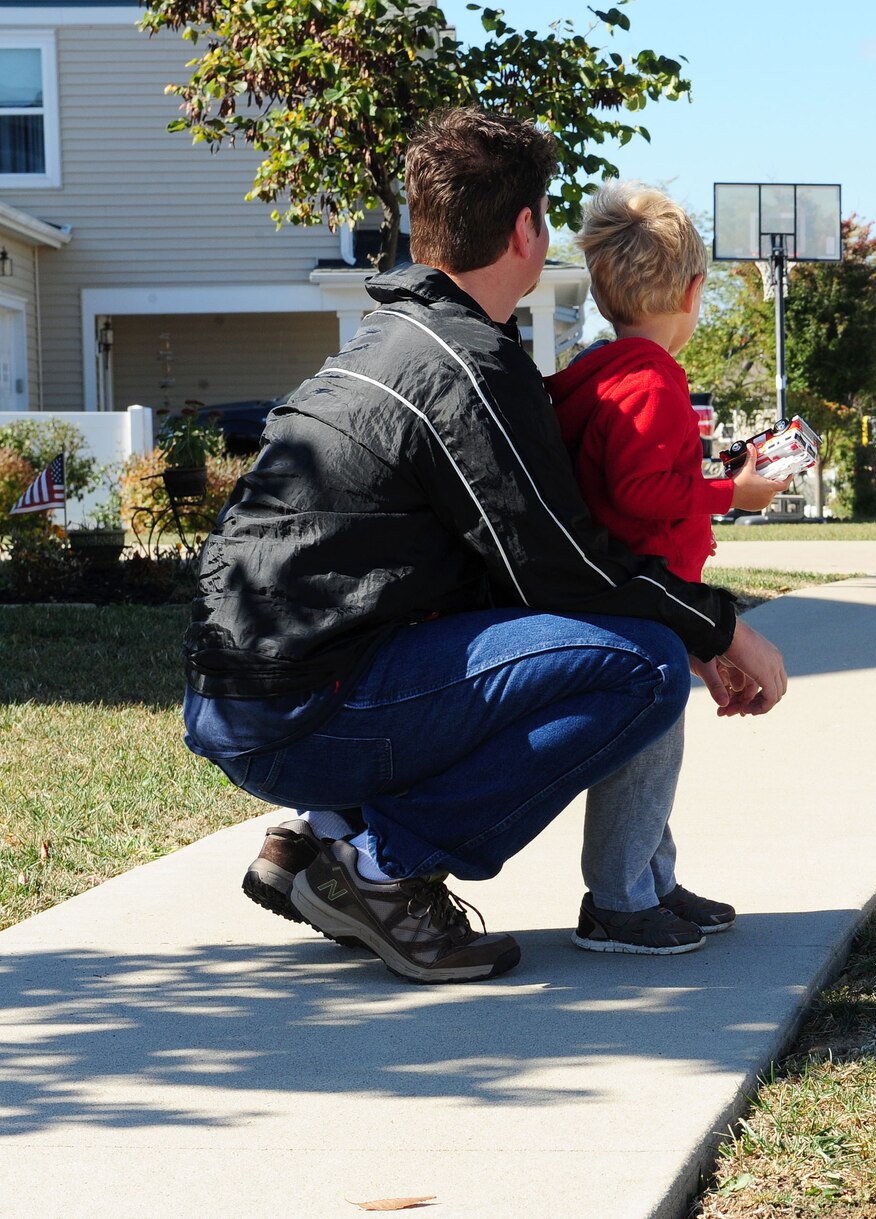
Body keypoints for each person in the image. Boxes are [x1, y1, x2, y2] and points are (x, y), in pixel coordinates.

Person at [189, 108, 788, 984]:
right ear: (525, 229)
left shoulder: (393, 338)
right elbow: (569, 569)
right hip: (304, 708)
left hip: (242, 696)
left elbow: (513, 573)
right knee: (646, 665)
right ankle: (381, 866)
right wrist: (721, 629)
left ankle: (329, 827)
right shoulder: (464, 368)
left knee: (587, 638)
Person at [542, 184, 788, 951]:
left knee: (651, 753)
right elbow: (641, 491)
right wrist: (734, 491)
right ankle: (618, 899)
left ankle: (651, 881)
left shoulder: (603, 370)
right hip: (642, 599)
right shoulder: (654, 378)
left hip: (637, 595)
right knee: (648, 751)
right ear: (691, 291)